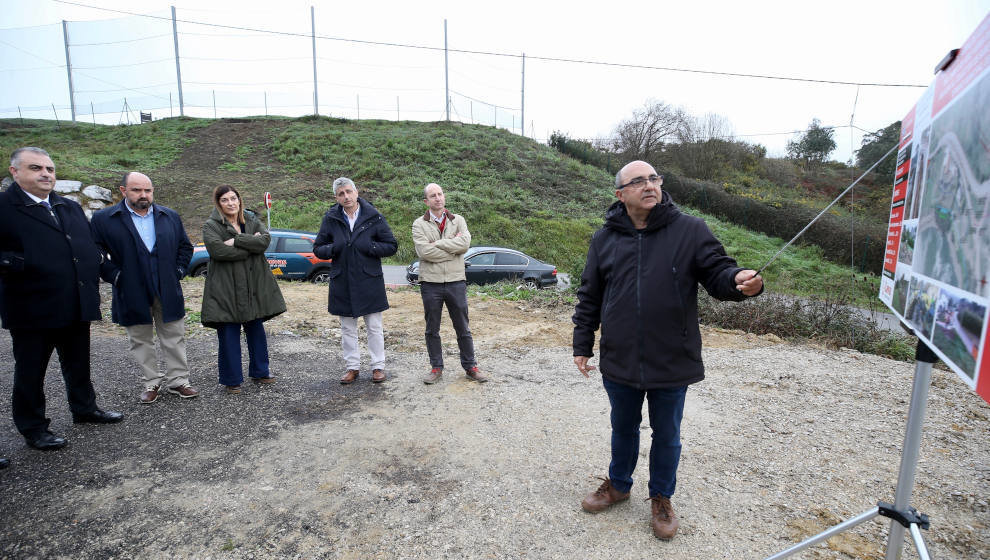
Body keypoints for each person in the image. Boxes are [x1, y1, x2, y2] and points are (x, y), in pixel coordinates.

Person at [572, 160, 763, 540]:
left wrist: (740, 281)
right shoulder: (604, 238)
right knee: (622, 428)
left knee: (668, 433)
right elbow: (590, 294)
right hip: (620, 355)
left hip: (672, 356)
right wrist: (583, 343)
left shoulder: (689, 230)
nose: (649, 185)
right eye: (638, 181)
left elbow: (718, 271)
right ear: (620, 193)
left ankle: (661, 496)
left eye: (654, 178)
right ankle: (619, 484)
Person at [0, 147, 123, 451]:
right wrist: (21, 263)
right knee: (31, 371)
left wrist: (108, 269)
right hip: (32, 306)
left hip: (75, 301)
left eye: (50, 169)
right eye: (36, 168)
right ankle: (33, 427)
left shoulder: (67, 207)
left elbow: (87, 247)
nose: (46, 174)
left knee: (78, 363)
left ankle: (84, 409)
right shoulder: (4, 208)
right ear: (16, 172)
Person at [91, 172, 199, 404]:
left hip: (167, 288)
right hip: (130, 289)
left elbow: (185, 247)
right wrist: (115, 276)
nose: (143, 195)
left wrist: (178, 272)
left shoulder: (168, 216)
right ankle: (151, 382)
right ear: (123, 191)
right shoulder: (104, 218)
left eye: (147, 190)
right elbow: (95, 252)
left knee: (174, 336)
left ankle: (178, 381)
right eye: (137, 190)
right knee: (140, 339)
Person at [200, 185, 286, 393]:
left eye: (233, 198)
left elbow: (264, 241)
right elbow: (217, 250)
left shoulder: (251, 219)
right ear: (218, 203)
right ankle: (232, 380)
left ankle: (261, 371)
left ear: (239, 200)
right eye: (225, 200)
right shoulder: (211, 225)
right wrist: (250, 247)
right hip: (225, 288)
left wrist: (237, 240)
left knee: (256, 329)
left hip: (253, 284)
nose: (230, 203)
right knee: (228, 332)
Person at [313, 177, 398, 384]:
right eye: (341, 194)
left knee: (374, 327)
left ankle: (378, 366)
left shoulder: (374, 217)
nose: (346, 196)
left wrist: (371, 247)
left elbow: (391, 245)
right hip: (342, 281)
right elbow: (318, 248)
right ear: (336, 197)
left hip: (369, 280)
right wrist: (334, 248)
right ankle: (352, 367)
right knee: (347, 328)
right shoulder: (331, 218)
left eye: (349, 192)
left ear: (356, 192)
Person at [412, 183, 487, 384]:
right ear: (426, 201)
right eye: (433, 196)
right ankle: (436, 367)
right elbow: (424, 252)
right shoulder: (419, 224)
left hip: (456, 282)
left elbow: (465, 245)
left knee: (463, 327)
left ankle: (470, 367)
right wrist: (452, 249)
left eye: (440, 194)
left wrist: (438, 244)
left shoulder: (458, 220)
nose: (438, 198)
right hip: (431, 283)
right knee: (432, 328)